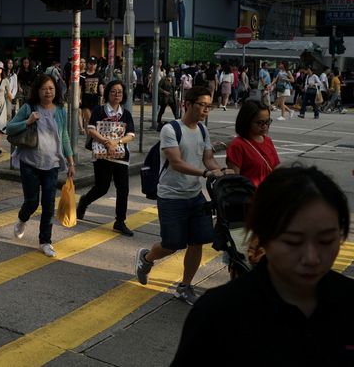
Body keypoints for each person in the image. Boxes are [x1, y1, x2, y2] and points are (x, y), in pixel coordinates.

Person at [171, 165, 353, 366]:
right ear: (262, 236)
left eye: (326, 240)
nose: (311, 258)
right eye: (292, 242)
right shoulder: (218, 313)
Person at [134, 86, 232, 305]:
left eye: (209, 106)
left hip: (195, 195)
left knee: (198, 241)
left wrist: (221, 172)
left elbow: (208, 159)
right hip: (171, 197)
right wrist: (206, 172)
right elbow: (177, 163)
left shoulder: (203, 131)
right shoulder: (171, 129)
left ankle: (185, 286)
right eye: (202, 105)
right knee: (171, 244)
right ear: (187, 104)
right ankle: (147, 258)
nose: (206, 110)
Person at [7, 74, 75, 258]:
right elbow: (10, 128)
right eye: (44, 88)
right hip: (29, 163)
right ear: (38, 90)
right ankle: (22, 219)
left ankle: (45, 241)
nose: (48, 92)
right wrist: (27, 121)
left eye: (51, 88)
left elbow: (65, 136)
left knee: (48, 204)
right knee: (31, 201)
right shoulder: (29, 108)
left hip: (51, 164)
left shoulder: (60, 110)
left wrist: (70, 161)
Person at [76, 80, 136, 236]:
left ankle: (120, 221)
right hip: (102, 154)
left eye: (120, 92)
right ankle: (84, 201)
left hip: (120, 155)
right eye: (113, 91)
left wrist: (117, 142)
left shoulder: (126, 113)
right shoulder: (99, 110)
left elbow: (131, 135)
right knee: (102, 187)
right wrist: (105, 142)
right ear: (108, 93)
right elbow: (90, 129)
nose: (117, 95)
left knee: (123, 189)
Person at [225, 100, 280, 188]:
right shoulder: (238, 145)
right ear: (247, 121)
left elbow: (276, 168)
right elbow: (234, 181)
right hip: (250, 197)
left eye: (268, 122)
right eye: (260, 123)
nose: (265, 126)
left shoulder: (268, 140)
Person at [79, 56, 103, 136]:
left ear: (96, 65)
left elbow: (100, 86)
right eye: (90, 64)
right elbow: (80, 88)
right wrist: (79, 98)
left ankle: (91, 134)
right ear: (87, 65)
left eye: (94, 64)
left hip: (95, 100)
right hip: (86, 100)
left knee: (94, 119)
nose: (92, 65)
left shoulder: (98, 75)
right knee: (88, 119)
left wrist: (103, 96)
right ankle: (89, 135)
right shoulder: (83, 75)